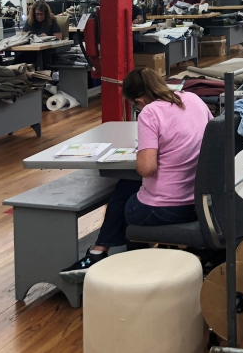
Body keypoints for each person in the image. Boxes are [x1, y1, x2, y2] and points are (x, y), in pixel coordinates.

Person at [60, 68, 213, 281]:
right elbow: (209, 139)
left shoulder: (151, 113)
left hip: (165, 210)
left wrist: (144, 150)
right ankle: (101, 251)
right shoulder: (194, 99)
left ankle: (109, 257)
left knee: (124, 197)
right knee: (128, 187)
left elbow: (146, 168)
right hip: (199, 202)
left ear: (139, 100)